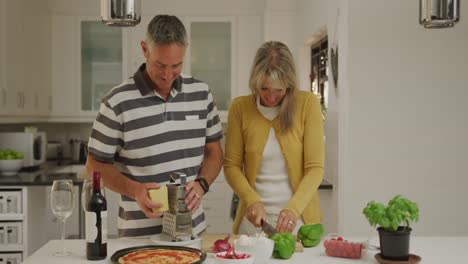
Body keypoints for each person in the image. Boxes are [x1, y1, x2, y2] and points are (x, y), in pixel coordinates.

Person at [86, 14, 223, 238]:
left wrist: (201, 185)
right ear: (144, 49)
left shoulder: (201, 94)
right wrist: (136, 191)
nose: (168, 75)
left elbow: (214, 152)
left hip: (192, 236)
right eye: (160, 65)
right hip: (138, 239)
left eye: (176, 65)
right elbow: (93, 165)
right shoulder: (117, 103)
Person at [224, 41, 324, 235]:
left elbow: (315, 169)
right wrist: (252, 200)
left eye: (279, 90)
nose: (271, 97)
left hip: (299, 221)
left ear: (290, 85)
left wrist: (292, 209)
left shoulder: (307, 105)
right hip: (253, 222)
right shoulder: (240, 108)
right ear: (254, 81)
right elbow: (231, 166)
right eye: (264, 88)